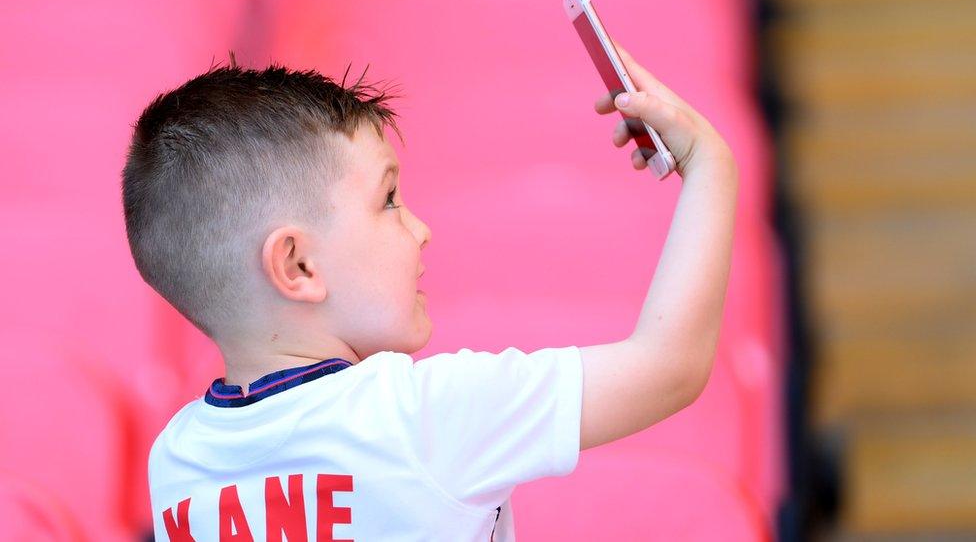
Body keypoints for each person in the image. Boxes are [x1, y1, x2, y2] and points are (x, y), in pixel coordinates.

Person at [122, 40, 737, 541]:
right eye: (388, 200)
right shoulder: (425, 415)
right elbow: (671, 366)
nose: (421, 230)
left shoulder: (174, 464)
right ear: (298, 265)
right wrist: (710, 163)